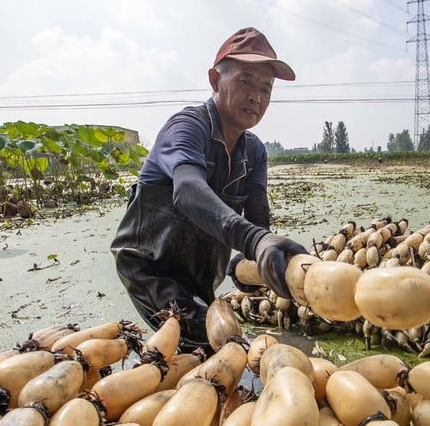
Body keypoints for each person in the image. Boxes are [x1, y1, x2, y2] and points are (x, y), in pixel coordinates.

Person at [111, 27, 308, 352]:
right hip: (152, 270)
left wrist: (256, 263)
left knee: (200, 352)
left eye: (265, 88)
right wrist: (253, 241)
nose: (256, 96)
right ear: (215, 81)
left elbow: (258, 224)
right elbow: (187, 191)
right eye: (245, 81)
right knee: (216, 346)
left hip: (201, 277)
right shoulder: (188, 127)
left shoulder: (254, 152)